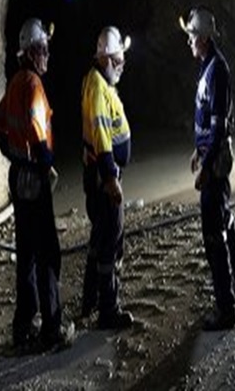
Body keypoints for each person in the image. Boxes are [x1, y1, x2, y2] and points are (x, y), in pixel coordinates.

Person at [0, 18, 73, 350]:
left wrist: (15, 157)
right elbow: (40, 139)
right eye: (44, 49)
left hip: (18, 176)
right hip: (34, 179)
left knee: (25, 252)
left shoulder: (14, 82)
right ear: (32, 52)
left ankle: (23, 324)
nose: (47, 55)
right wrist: (44, 166)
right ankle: (52, 329)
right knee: (47, 253)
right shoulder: (34, 85)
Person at [180, 7, 235, 331]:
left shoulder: (217, 70)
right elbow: (208, 119)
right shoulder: (208, 66)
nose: (189, 42)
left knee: (213, 235)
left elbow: (219, 125)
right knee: (225, 218)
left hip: (216, 162)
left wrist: (206, 166)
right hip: (210, 155)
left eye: (193, 36)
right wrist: (198, 151)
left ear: (205, 38)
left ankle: (226, 308)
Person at [80, 26, 135, 329]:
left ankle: (90, 299)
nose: (122, 66)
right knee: (110, 239)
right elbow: (101, 136)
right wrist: (111, 178)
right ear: (108, 60)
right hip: (103, 177)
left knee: (100, 236)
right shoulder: (98, 88)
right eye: (119, 60)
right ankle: (108, 309)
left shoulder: (99, 82)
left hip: (99, 173)